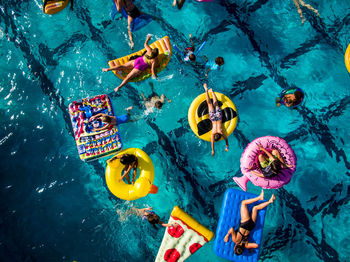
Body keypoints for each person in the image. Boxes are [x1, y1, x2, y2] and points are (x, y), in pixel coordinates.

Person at [224, 190, 276, 255]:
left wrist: (250, 248)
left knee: (255, 208)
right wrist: (227, 235)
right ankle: (259, 197)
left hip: (251, 226)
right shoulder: (235, 240)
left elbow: (256, 245)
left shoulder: (246, 245)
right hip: (244, 224)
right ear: (234, 247)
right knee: (243, 203)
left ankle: (270, 201)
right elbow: (231, 229)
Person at [203, 83, 229, 156]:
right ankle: (206, 90)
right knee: (209, 104)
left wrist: (227, 146)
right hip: (213, 119)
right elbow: (212, 143)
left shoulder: (221, 132)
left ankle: (211, 92)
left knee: (216, 104)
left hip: (219, 117)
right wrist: (212, 150)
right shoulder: (213, 133)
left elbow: (226, 140)